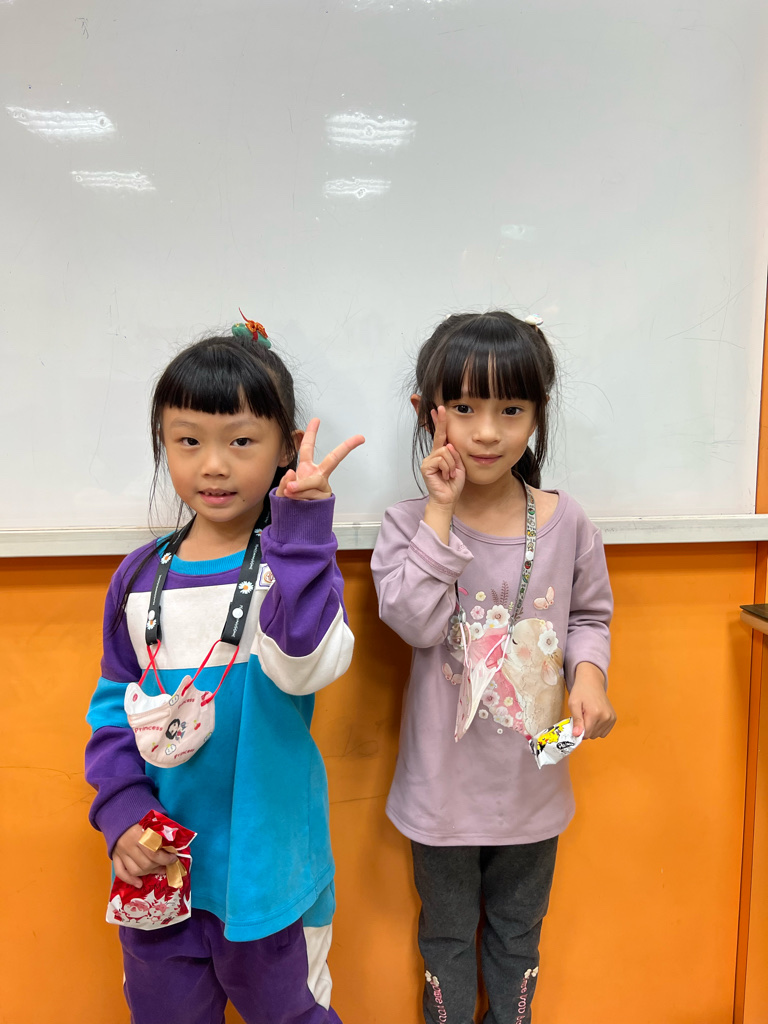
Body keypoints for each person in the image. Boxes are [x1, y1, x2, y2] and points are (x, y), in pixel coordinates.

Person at [85, 319, 364, 1024]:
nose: (213, 465)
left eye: (240, 442)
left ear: (283, 448)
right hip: (162, 872)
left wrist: (304, 530)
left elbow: (306, 667)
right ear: (164, 444)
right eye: (189, 441)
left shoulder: (292, 567)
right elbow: (112, 711)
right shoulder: (138, 577)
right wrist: (121, 816)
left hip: (270, 876)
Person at [371, 310, 615, 1024]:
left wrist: (589, 676)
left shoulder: (567, 521)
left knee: (518, 937)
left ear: (538, 414)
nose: (486, 432)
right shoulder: (407, 525)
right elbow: (414, 623)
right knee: (446, 939)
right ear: (429, 412)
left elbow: (589, 617)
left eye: (511, 410)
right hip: (440, 793)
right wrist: (441, 513)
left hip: (533, 785)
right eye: (464, 408)